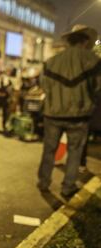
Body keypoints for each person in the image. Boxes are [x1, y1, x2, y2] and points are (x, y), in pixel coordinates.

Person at [38, 24, 101, 198]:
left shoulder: (51, 61)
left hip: (53, 114)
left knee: (49, 150)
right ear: (85, 41)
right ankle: (68, 187)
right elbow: (98, 87)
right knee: (75, 152)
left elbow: (44, 85)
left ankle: (44, 182)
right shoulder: (94, 60)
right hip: (79, 116)